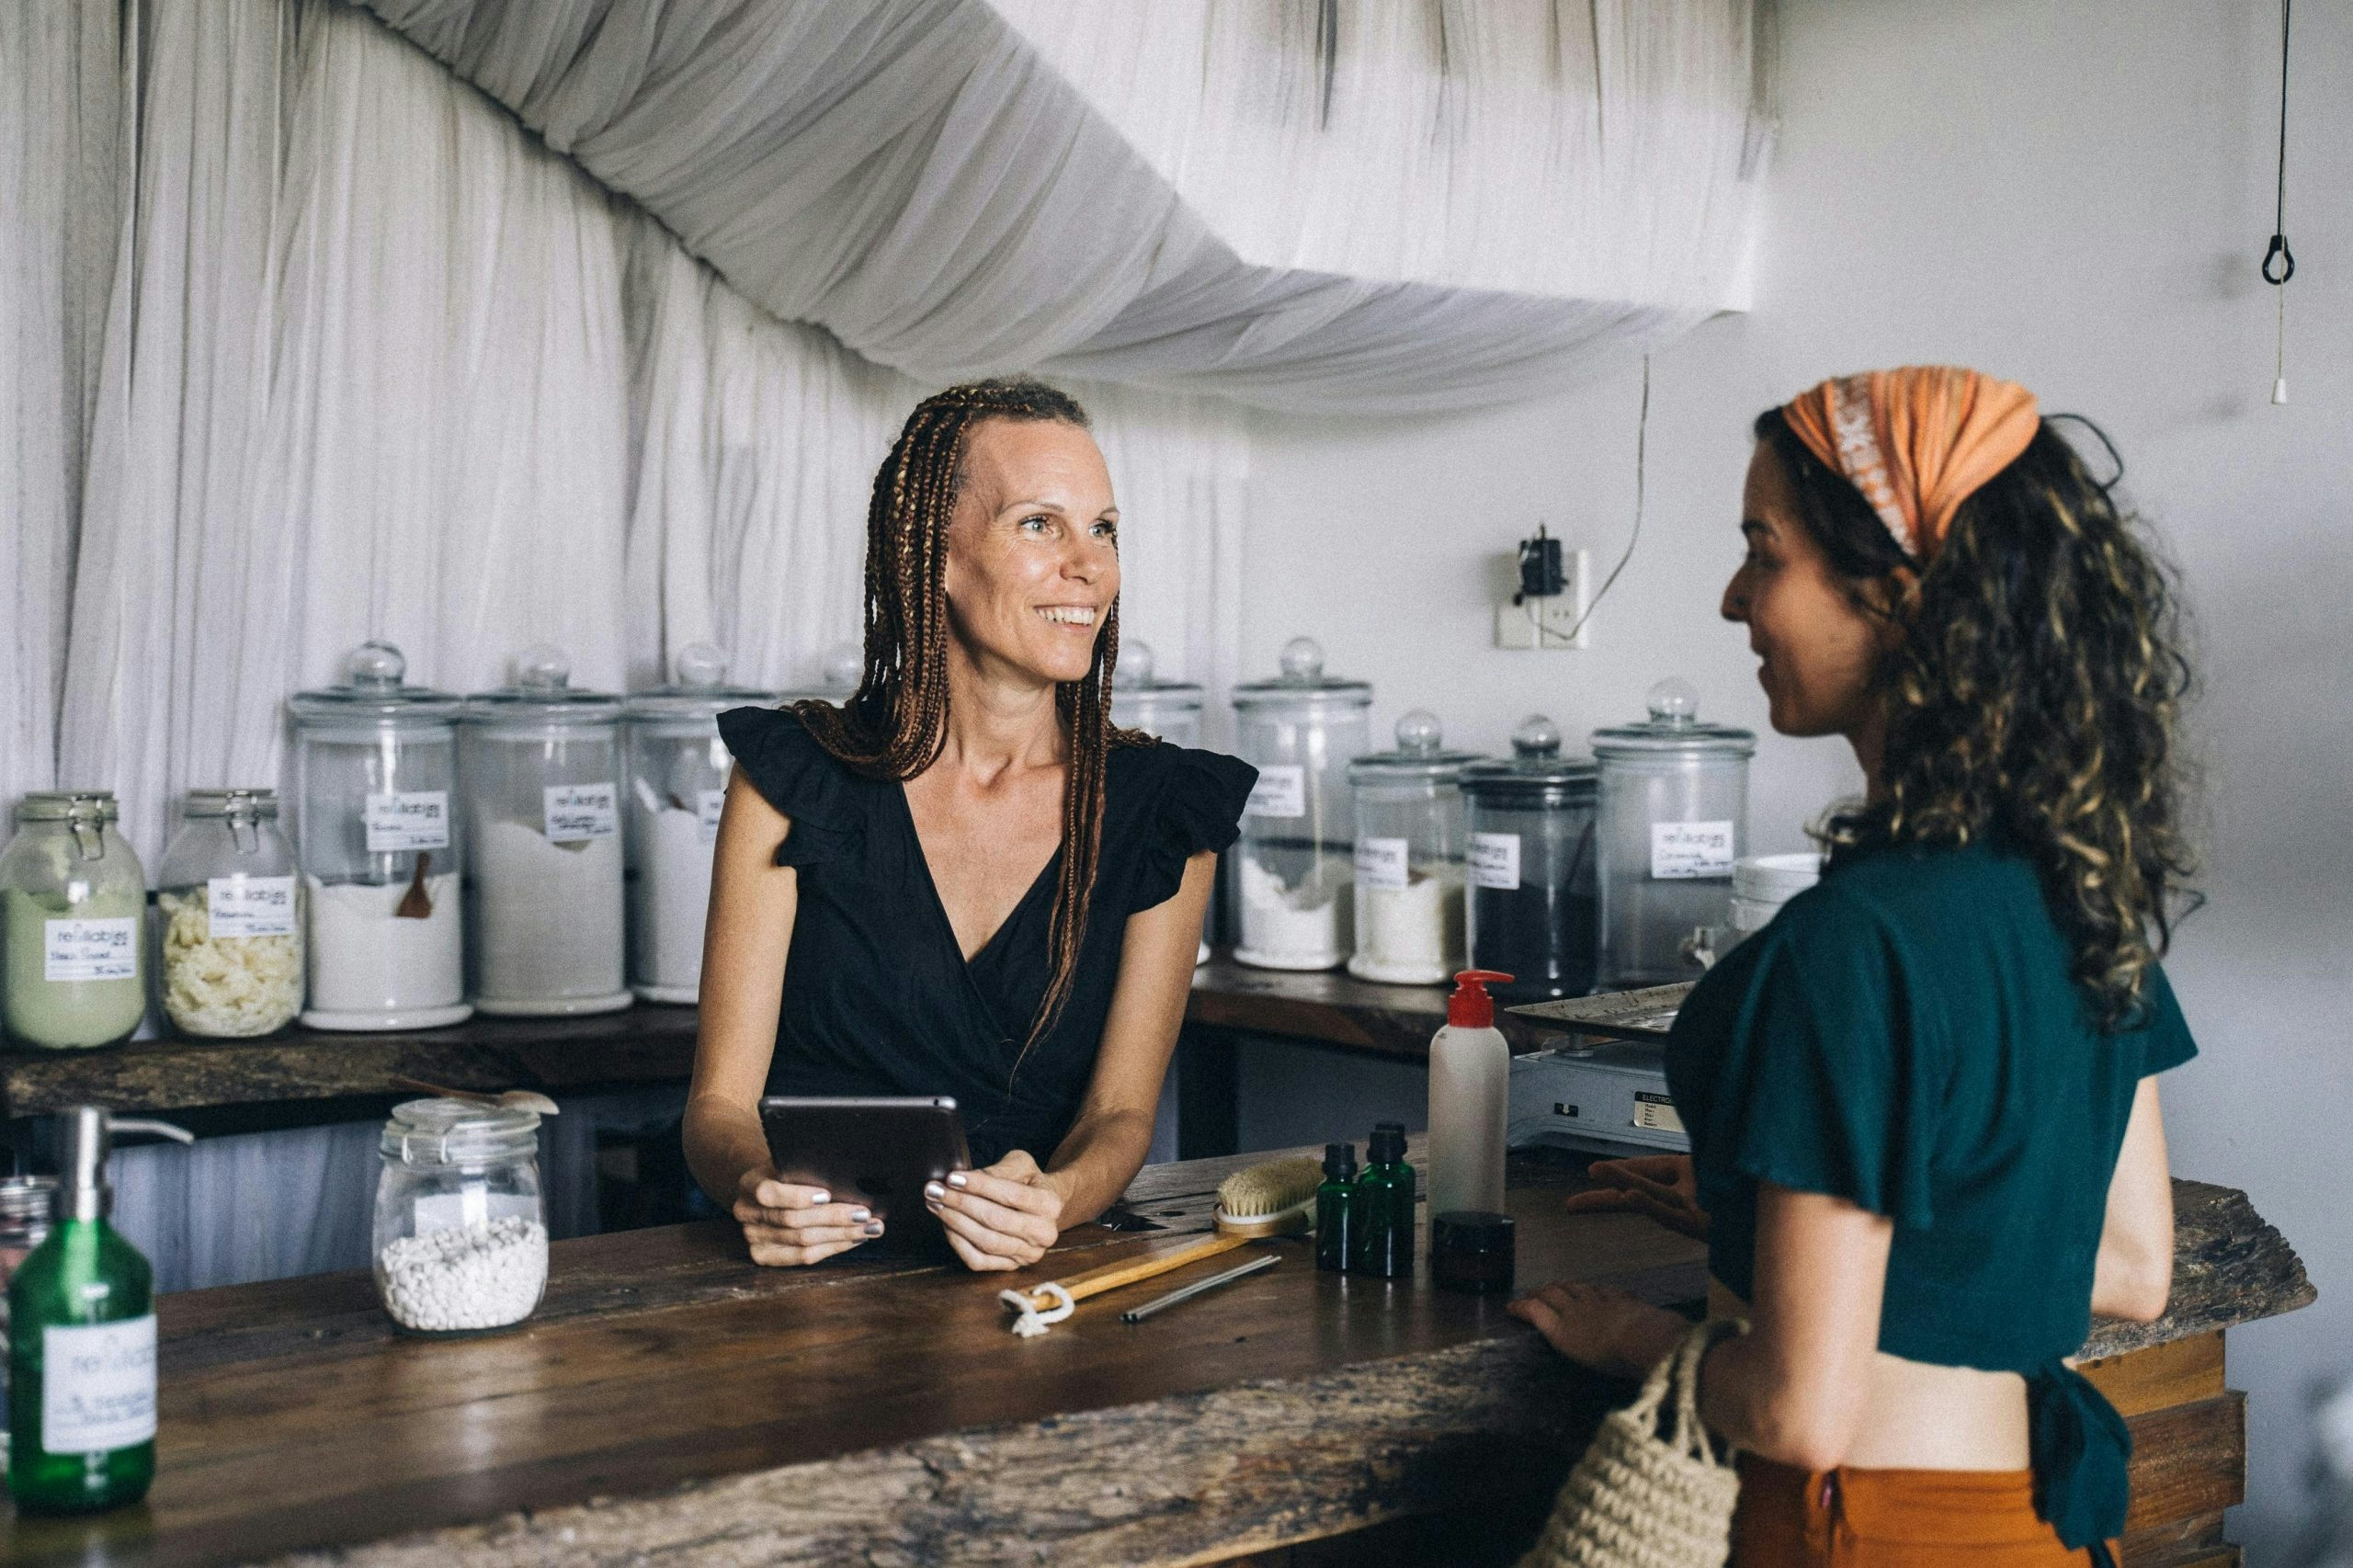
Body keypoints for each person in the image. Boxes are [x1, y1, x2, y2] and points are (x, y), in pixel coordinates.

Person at [1510, 367, 2196, 1565]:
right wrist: (1791, 1213)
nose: (1733, 598)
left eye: (1762, 552)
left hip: (1864, 1530)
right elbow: (2131, 1263)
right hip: (2032, 1529)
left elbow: (1799, 1407)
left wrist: (1636, 1339)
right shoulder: (2084, 888)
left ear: (1897, 591)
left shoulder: (1854, 938)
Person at [685, 378, 1254, 1275]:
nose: (1089, 565)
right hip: (804, 1295)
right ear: (933, 553)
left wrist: (1056, 1200)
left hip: (1038, 1285)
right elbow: (719, 1102)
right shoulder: (795, 775)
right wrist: (756, 1184)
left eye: (1103, 528)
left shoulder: (1164, 808)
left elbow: (1119, 1114)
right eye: (1040, 523)